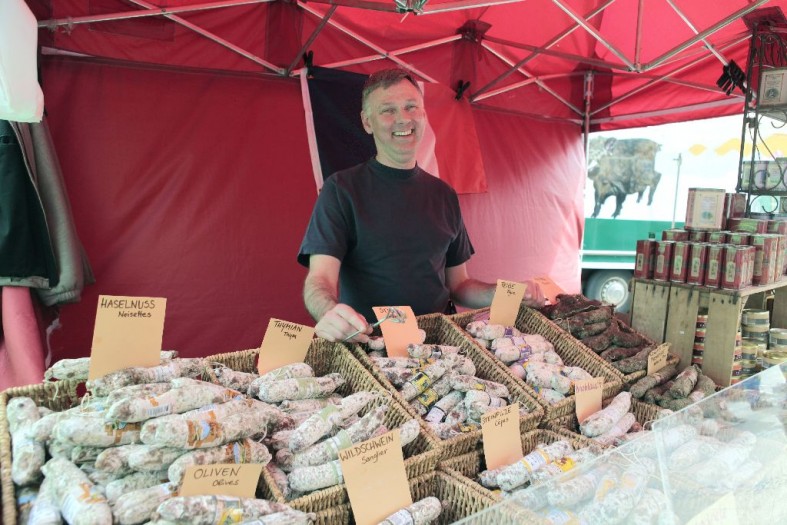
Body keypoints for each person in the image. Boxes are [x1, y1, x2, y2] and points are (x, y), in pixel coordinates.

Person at [298, 68, 544, 342]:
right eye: (388, 110)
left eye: (411, 107)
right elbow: (319, 279)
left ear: (424, 115)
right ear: (367, 122)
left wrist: (508, 293)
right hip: (370, 343)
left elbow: (459, 285)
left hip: (438, 344)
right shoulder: (341, 189)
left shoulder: (444, 195)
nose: (403, 118)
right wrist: (329, 313)